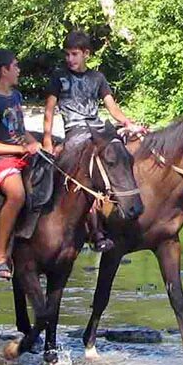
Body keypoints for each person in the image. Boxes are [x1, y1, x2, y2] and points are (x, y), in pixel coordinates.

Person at [42, 30, 146, 251]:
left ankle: (126, 203)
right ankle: (96, 231)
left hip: (98, 128)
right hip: (75, 132)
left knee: (120, 154)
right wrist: (48, 141)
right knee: (84, 172)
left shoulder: (97, 78)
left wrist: (128, 124)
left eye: (75, 54)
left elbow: (112, 107)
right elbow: (49, 110)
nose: (70, 59)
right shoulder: (59, 78)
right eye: (67, 54)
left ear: (86, 54)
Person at [0, 48, 41, 279]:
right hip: (1, 160)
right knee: (17, 195)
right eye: (15, 66)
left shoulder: (15, 96)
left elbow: (20, 131)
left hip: (20, 155)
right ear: (4, 71)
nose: (19, 70)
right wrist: (20, 149)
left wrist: (38, 144)